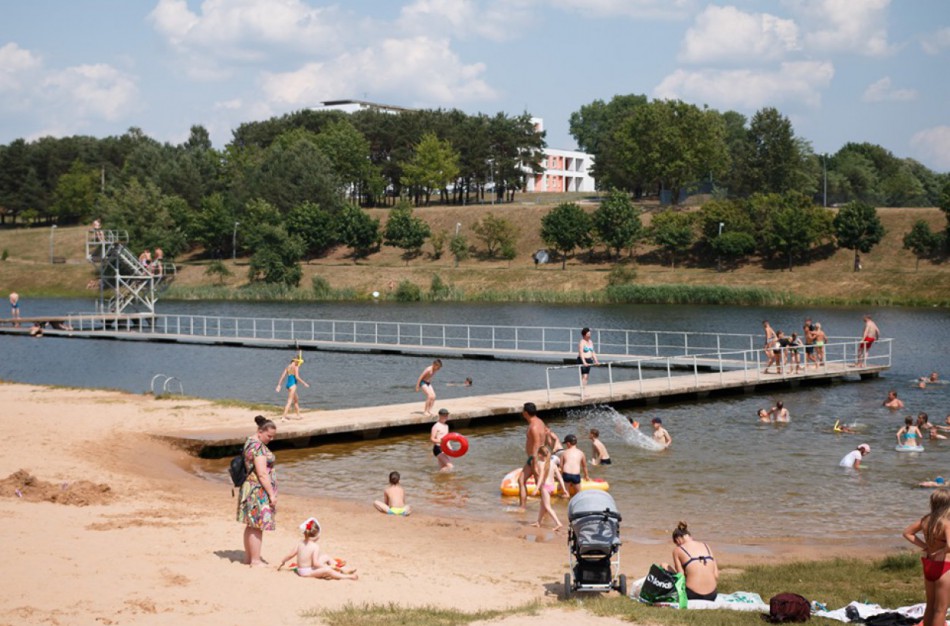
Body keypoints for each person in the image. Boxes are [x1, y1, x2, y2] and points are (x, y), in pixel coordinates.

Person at [902, 488, 950, 626]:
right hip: (944, 568)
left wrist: (925, 546)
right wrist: (942, 552)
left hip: (928, 564)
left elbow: (907, 533)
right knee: (941, 610)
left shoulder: (926, 520)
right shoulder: (947, 523)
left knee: (930, 606)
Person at [237, 415, 278, 567]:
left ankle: (248, 558)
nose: (271, 439)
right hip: (258, 491)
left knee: (251, 524)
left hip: (249, 488)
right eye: (269, 436)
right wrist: (271, 494)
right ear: (260, 431)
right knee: (257, 525)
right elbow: (262, 473)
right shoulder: (258, 448)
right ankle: (255, 560)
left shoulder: (250, 441)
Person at [278, 517, 358, 580]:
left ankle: (343, 569)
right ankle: (347, 577)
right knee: (328, 571)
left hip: (301, 569)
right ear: (317, 536)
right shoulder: (315, 547)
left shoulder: (300, 543)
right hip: (306, 572)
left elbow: (291, 555)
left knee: (326, 557)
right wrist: (326, 567)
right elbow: (315, 563)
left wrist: (283, 561)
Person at [666, 521, 718, 601]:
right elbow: (716, 575)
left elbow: (681, 577)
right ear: (690, 536)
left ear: (678, 540)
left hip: (692, 595)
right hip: (712, 595)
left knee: (664, 565)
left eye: (676, 543)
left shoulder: (678, 550)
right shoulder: (706, 546)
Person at [518, 402, 547, 510]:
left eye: (522, 411)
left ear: (525, 413)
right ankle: (523, 507)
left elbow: (537, 444)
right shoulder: (540, 422)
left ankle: (545, 509)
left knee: (538, 483)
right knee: (521, 480)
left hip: (535, 458)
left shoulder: (533, 426)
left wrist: (534, 463)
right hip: (536, 457)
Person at [531, 445, 566, 531]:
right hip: (551, 486)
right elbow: (560, 477)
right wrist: (564, 489)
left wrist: (536, 489)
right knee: (542, 505)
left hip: (545, 487)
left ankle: (558, 523)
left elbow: (541, 477)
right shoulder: (553, 464)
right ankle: (538, 522)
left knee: (547, 506)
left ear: (540, 455)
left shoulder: (540, 463)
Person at [275, 354, 309, 420]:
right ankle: (283, 417)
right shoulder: (296, 367)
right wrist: (304, 383)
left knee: (296, 399)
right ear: (296, 361)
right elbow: (297, 377)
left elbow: (282, 376)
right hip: (292, 385)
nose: (299, 363)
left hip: (288, 385)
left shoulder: (288, 367)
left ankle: (298, 415)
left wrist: (279, 385)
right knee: (289, 401)